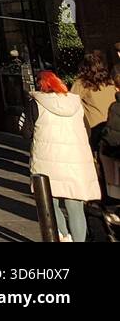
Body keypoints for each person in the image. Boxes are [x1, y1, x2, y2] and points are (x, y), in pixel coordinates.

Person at [30, 70, 101, 241]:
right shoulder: (75, 103)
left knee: (49, 202)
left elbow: (25, 131)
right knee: (75, 207)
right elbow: (87, 130)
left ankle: (63, 235)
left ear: (40, 84)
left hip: (48, 160)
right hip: (75, 160)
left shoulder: (36, 103)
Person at [71, 50, 118, 147]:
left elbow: (70, 103)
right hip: (113, 123)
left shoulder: (81, 84)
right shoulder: (109, 81)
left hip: (95, 128)